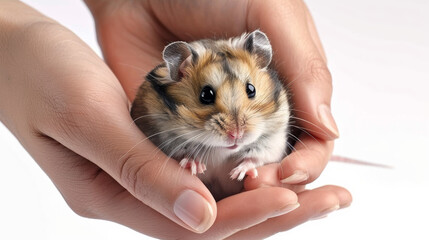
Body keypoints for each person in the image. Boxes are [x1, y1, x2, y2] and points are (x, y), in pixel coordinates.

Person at [0, 0, 352, 239]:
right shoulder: (159, 100)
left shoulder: (273, 100)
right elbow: (152, 140)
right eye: (207, 97)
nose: (236, 127)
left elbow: (276, 132)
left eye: (249, 92)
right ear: (178, 70)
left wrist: (257, 157)